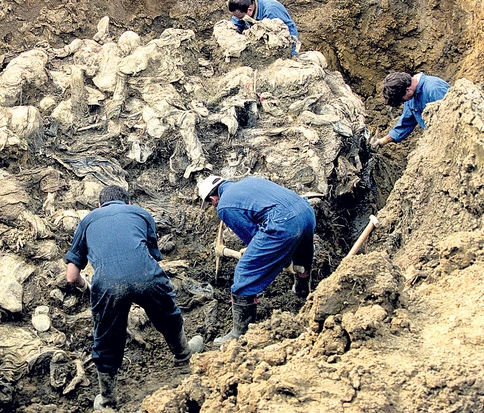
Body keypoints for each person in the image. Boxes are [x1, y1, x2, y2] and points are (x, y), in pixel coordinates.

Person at [65, 185, 203, 411]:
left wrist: (87, 286)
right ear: (128, 203)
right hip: (146, 276)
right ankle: (184, 356)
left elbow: (71, 277)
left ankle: (108, 401)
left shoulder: (88, 220)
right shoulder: (141, 213)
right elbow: (152, 255)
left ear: (99, 205)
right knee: (168, 314)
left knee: (106, 337)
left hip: (108, 284)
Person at [198, 175, 315, 346]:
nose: (213, 205)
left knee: (244, 273)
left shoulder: (224, 206)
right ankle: (302, 291)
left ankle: (240, 333)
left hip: (283, 224)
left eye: (211, 203)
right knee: (302, 258)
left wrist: (276, 257)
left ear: (212, 198)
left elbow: (252, 234)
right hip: (306, 212)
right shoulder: (249, 181)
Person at [371, 72, 450, 147]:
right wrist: (383, 140)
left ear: (407, 90)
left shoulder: (434, 89)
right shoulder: (412, 96)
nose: (403, 102)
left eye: (402, 100)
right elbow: (406, 122)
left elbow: (450, 119)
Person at [228, 0, 299, 55]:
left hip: (285, 37)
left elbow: (282, 35)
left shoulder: (271, 11)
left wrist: (291, 52)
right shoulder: (242, 7)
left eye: (240, 17)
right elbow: (236, 25)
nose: (238, 18)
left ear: (249, 10)